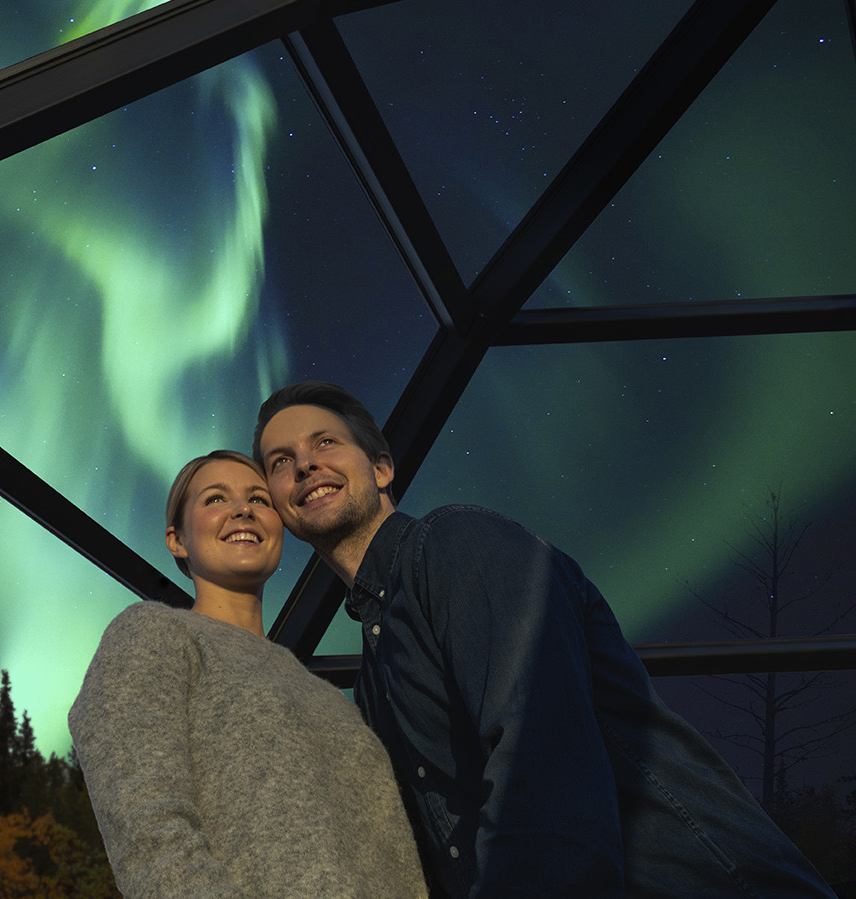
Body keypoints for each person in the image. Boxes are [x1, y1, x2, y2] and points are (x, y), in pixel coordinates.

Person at [252, 381, 836, 899]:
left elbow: (538, 744)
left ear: (382, 468)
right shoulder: (376, 670)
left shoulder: (456, 543)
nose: (304, 465)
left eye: (325, 443)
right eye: (281, 461)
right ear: (278, 504)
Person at [68, 449, 428, 899]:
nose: (243, 509)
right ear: (177, 540)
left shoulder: (328, 696)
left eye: (259, 499)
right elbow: (149, 837)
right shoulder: (153, 634)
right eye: (215, 499)